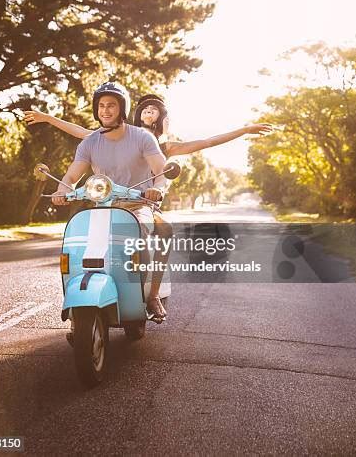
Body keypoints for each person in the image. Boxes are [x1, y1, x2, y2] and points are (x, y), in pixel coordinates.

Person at [50, 82, 169, 322]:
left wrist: (157, 188)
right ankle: (81, 310)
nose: (105, 110)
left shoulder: (142, 137)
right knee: (79, 248)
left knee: (156, 234)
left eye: (111, 105)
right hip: (102, 208)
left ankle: (152, 294)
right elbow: (72, 175)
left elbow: (161, 171)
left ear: (122, 108)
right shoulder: (90, 142)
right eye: (101, 105)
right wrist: (62, 190)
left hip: (138, 205)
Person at [23, 97, 273, 156]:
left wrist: (243, 130)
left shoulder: (167, 147)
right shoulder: (120, 134)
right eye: (144, 108)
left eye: (153, 109)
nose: (147, 110)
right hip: (111, 201)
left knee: (163, 231)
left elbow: (208, 142)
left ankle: (153, 290)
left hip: (144, 205)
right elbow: (84, 133)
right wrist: (48, 118)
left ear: (161, 117)